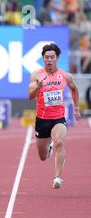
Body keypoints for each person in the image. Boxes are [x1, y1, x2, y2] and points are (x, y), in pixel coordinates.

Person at [28, 43, 81, 189]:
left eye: (52, 57)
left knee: (59, 141)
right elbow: (30, 96)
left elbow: (74, 90)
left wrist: (76, 108)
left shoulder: (65, 76)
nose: (49, 60)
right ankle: (48, 149)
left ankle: (57, 177)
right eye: (46, 57)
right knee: (42, 157)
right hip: (42, 119)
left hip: (58, 117)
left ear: (57, 58)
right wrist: (37, 88)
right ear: (43, 59)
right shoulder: (36, 75)